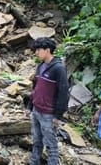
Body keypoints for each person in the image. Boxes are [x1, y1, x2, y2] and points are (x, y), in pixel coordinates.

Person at [28, 37, 69, 165]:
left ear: (47, 50)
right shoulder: (40, 66)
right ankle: (34, 162)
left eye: (38, 50)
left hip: (48, 113)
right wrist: (30, 106)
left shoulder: (58, 69)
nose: (36, 53)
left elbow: (64, 93)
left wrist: (58, 116)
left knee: (51, 145)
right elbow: (36, 88)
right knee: (36, 140)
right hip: (36, 110)